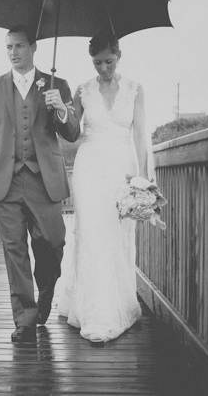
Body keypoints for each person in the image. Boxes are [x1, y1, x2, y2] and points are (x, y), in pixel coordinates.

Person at [0, 24, 80, 342]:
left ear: (33, 47)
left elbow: (72, 133)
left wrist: (60, 108)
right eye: (8, 47)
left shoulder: (57, 84)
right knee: (14, 250)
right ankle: (25, 320)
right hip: (3, 182)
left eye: (19, 46)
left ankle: (45, 295)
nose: (13, 52)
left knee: (53, 243)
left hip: (44, 181)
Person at [57, 31, 155, 343]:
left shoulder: (135, 89)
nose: (103, 68)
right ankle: (94, 313)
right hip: (89, 169)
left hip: (121, 171)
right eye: (97, 62)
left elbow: (140, 135)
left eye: (108, 61)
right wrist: (61, 109)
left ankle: (118, 307)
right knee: (92, 235)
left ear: (118, 56)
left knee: (117, 236)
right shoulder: (83, 90)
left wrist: (144, 181)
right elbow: (71, 133)